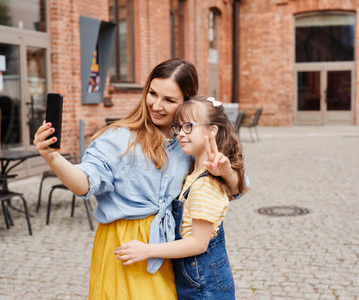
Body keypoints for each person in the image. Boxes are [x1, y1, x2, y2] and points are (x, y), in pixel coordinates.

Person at [33, 58, 243, 300]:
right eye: (152, 93)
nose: (156, 105)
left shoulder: (189, 140)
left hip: (168, 250)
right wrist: (52, 158)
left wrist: (224, 172)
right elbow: (84, 183)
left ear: (186, 103)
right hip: (126, 246)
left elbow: (235, 187)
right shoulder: (118, 139)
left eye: (169, 100)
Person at [114, 96, 248, 299]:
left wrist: (147, 250)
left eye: (189, 126)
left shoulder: (205, 185)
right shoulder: (192, 172)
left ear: (212, 130)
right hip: (196, 279)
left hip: (204, 285)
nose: (180, 134)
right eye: (178, 127)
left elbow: (198, 244)